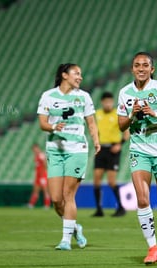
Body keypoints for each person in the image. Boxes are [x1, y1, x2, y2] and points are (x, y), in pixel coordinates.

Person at [117, 52, 157, 265]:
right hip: (139, 150)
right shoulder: (125, 93)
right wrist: (132, 114)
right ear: (132, 69)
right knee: (142, 200)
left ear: (152, 69)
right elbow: (121, 125)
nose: (140, 68)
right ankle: (153, 249)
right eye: (136, 65)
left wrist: (154, 113)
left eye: (145, 65)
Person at [37, 63, 101, 250]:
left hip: (77, 149)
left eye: (81, 74)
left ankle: (65, 240)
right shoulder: (48, 96)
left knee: (68, 194)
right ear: (64, 75)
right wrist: (52, 127)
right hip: (55, 150)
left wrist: (96, 140)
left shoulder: (84, 97)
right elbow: (42, 123)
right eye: (76, 73)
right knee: (56, 199)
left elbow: (91, 122)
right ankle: (75, 229)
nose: (80, 77)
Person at [92, 91, 129, 217]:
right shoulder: (97, 114)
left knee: (111, 181)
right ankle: (99, 209)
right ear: (102, 102)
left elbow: (126, 133)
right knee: (96, 180)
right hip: (101, 149)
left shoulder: (118, 114)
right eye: (105, 102)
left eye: (110, 102)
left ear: (112, 102)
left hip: (113, 149)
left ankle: (121, 207)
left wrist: (119, 144)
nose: (108, 104)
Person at [27, 143, 51, 209]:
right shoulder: (36, 156)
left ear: (37, 148)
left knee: (45, 190)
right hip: (38, 176)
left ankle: (47, 205)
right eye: (33, 149)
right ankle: (31, 204)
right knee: (35, 190)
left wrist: (44, 173)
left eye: (35, 149)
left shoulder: (41, 155)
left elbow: (45, 164)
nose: (34, 150)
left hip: (42, 175)